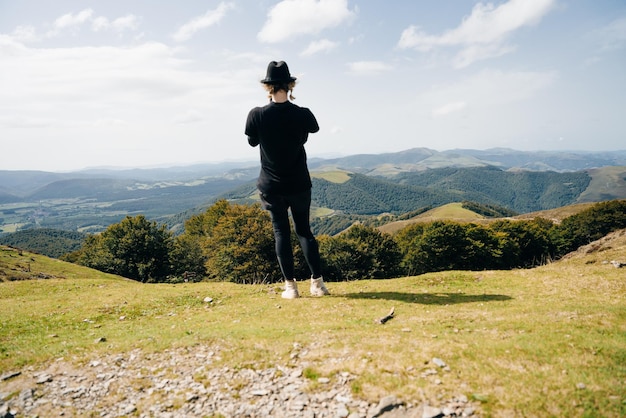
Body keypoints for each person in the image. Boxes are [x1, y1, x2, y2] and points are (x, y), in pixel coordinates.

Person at [245, 60, 330, 299]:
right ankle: (317, 284)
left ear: (267, 87)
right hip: (299, 183)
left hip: (271, 185)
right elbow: (311, 131)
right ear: (290, 85)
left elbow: (252, 141)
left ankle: (290, 288)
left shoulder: (257, 115)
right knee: (304, 231)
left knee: (281, 233)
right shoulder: (302, 114)